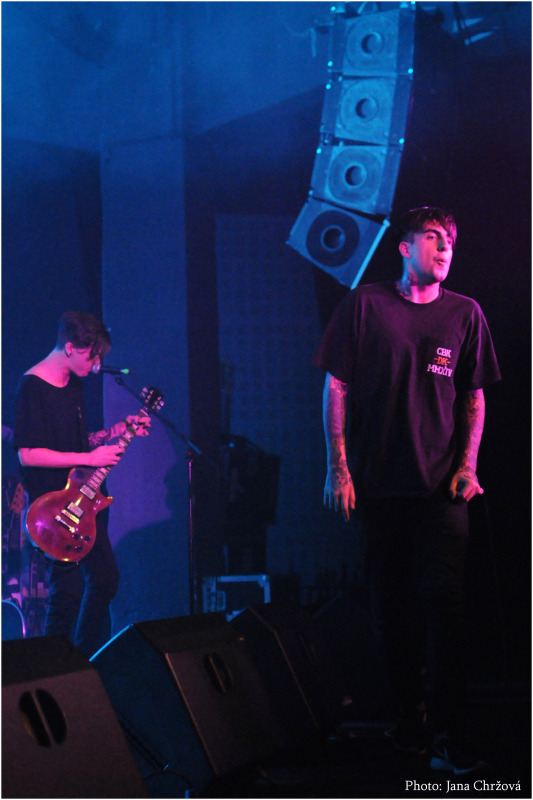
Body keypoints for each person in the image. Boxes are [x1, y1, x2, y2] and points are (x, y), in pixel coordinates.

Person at [314, 208, 501, 774]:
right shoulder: (365, 305)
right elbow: (336, 385)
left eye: (450, 242)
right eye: (433, 238)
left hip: (441, 492)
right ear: (404, 247)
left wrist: (467, 466)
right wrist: (339, 469)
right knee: (390, 613)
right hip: (379, 488)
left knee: (445, 606)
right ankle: (411, 720)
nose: (444, 249)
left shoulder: (465, 313)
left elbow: (473, 395)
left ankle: (450, 733)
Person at [14, 311, 150, 658]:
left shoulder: (74, 384)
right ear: (71, 347)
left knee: (105, 578)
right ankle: (53, 668)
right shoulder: (32, 386)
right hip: (53, 506)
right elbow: (28, 454)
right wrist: (90, 458)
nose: (97, 364)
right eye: (92, 355)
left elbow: (75, 442)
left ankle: (84, 660)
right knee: (67, 591)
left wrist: (118, 430)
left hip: (83, 501)